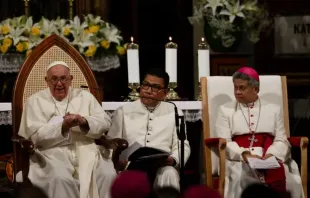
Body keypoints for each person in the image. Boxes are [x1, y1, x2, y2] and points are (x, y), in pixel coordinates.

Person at [18, 61, 115, 198]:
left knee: (108, 174)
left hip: (87, 149)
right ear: (47, 80)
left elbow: (105, 122)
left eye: (63, 78)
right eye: (54, 79)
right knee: (61, 179)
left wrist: (84, 122)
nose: (59, 84)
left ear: (70, 79)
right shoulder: (34, 101)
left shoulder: (85, 96)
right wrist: (63, 126)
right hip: (51, 154)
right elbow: (35, 137)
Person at [215, 66, 303, 198]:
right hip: (240, 160)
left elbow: (281, 139)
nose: (237, 92)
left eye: (242, 88)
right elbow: (225, 141)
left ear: (255, 89)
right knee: (241, 180)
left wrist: (271, 155)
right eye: (235, 87)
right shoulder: (225, 110)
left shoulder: (273, 109)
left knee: (292, 181)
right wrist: (244, 154)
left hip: (269, 156)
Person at [108, 68, 191, 190]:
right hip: (130, 165)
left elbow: (182, 144)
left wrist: (173, 159)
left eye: (155, 87)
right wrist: (116, 160)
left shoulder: (173, 111)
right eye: (146, 85)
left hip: (161, 165)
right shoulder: (123, 111)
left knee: (170, 173)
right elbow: (112, 142)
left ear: (165, 92)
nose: (148, 91)